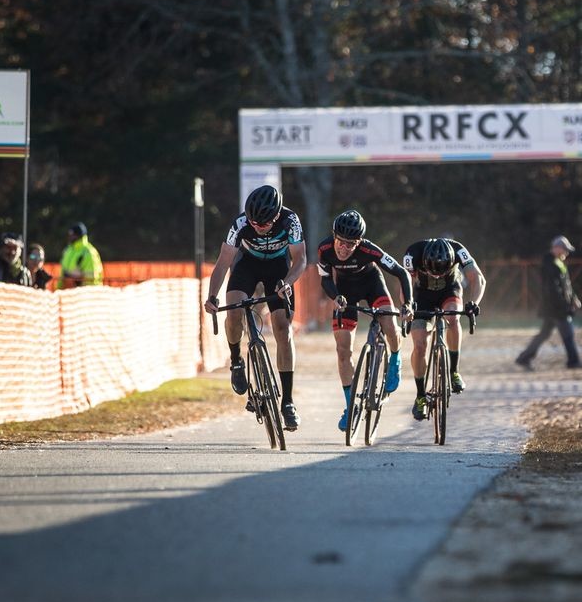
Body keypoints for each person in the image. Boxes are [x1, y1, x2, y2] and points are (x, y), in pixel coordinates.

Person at [202, 185, 307, 431]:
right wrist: (212, 296)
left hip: (279, 268)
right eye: (254, 223)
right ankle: (237, 360)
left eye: (264, 223)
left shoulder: (290, 220)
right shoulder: (239, 225)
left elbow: (300, 258)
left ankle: (288, 402)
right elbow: (223, 263)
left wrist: (287, 283)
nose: (258, 227)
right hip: (247, 265)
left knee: (283, 329)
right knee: (235, 311)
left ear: (276, 215)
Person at [317, 210, 414, 432]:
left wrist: (407, 304)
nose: (343, 248)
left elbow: (401, 273)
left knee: (389, 324)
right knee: (343, 350)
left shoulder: (368, 249)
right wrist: (335, 297)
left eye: (350, 244)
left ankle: (396, 360)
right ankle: (350, 405)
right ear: (334, 236)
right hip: (344, 292)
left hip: (372, 285)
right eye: (340, 242)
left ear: (359, 242)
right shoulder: (324, 249)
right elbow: (324, 279)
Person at [403, 236, 486, 418]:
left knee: (453, 317)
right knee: (419, 346)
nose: (437, 275)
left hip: (450, 291)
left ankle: (454, 371)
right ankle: (420, 396)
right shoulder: (413, 252)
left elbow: (478, 278)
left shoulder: (458, 249)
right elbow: (404, 282)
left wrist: (473, 302)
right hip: (422, 296)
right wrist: (407, 306)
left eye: (442, 271)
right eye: (433, 272)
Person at [515, 235, 582, 371]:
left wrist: (573, 298)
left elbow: (566, 285)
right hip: (556, 308)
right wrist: (564, 305)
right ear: (557, 248)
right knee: (568, 334)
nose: (566, 253)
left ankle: (524, 358)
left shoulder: (557, 263)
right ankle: (573, 361)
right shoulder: (550, 264)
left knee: (544, 334)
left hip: (553, 308)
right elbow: (552, 289)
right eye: (565, 250)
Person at [59, 222, 102, 288]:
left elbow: (91, 278)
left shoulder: (88, 252)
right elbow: (63, 274)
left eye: (72, 235)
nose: (69, 237)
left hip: (85, 294)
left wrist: (76, 281)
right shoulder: (68, 250)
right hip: (68, 293)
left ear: (78, 236)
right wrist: (59, 289)